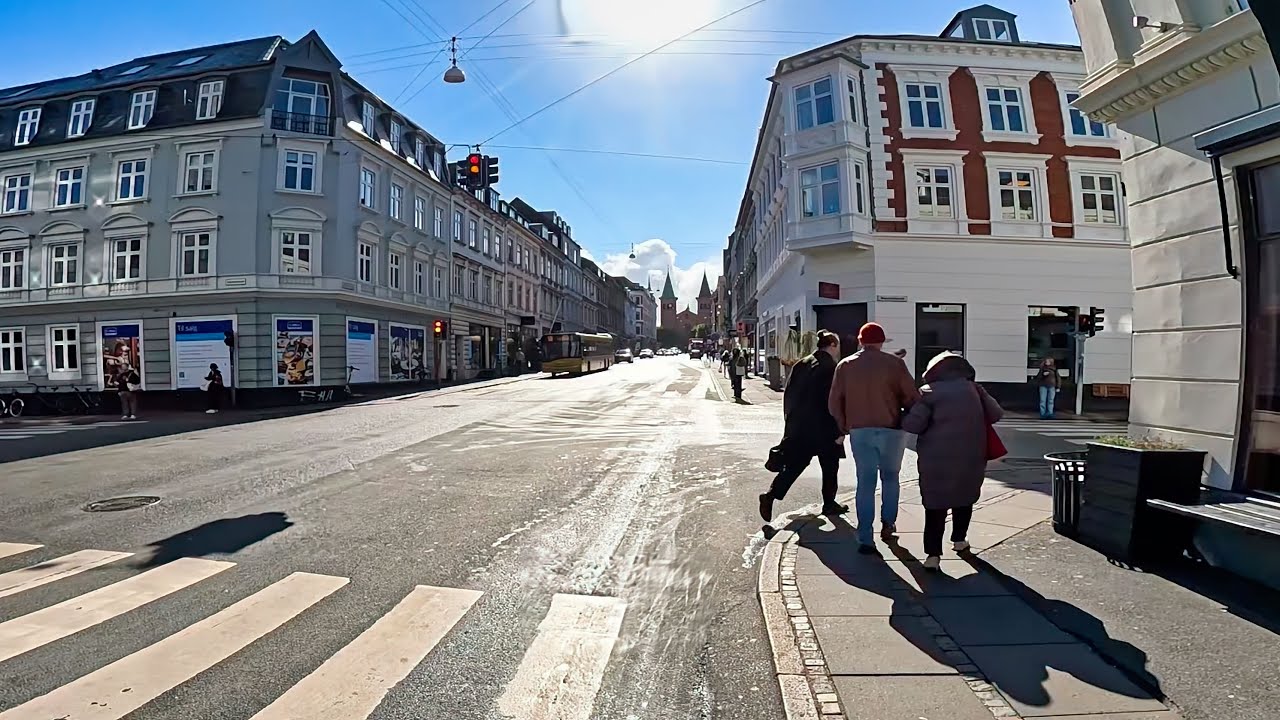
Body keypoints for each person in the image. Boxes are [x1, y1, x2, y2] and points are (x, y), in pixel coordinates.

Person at [902, 351, 1004, 570]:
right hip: (971, 454)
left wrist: (905, 412)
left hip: (935, 458)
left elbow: (913, 426)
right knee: (964, 496)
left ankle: (933, 556)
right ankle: (959, 540)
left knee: (935, 504)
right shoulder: (975, 389)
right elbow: (996, 414)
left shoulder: (928, 393)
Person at [828, 322, 921, 553]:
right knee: (890, 478)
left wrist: (844, 425)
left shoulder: (845, 365)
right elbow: (912, 396)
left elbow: (834, 402)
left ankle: (865, 537)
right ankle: (888, 524)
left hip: (860, 431)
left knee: (865, 483)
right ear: (881, 342)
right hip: (892, 429)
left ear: (860, 341)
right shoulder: (895, 364)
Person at [759, 331, 848, 521]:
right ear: (832, 345)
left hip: (801, 427)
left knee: (794, 466)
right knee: (830, 467)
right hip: (825, 427)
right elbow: (834, 401)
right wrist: (840, 429)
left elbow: (789, 394)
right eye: (837, 345)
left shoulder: (802, 363)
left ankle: (770, 495)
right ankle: (829, 503)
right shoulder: (832, 367)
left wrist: (790, 423)